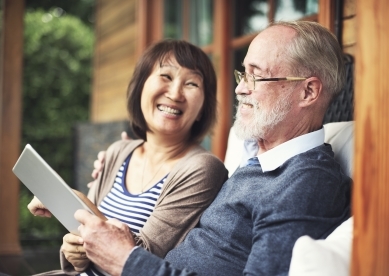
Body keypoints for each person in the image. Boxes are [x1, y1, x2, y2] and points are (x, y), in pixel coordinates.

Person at [74, 20, 351, 276]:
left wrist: (126, 261)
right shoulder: (258, 156)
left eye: (256, 76)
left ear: (308, 92)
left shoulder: (307, 182)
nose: (240, 89)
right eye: (243, 74)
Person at [27, 39, 228, 275]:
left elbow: (140, 259)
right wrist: (74, 250)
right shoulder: (118, 152)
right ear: (141, 86)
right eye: (166, 76)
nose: (175, 94)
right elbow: (83, 240)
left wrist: (74, 199)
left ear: (203, 107)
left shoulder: (202, 168)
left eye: (192, 83)